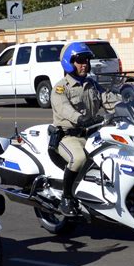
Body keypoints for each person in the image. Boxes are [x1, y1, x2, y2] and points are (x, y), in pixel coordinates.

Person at [50, 42, 120, 217]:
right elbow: (64, 108)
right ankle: (66, 198)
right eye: (80, 60)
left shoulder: (92, 84)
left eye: (87, 60)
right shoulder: (61, 88)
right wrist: (81, 118)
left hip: (92, 134)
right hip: (68, 137)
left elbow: (109, 99)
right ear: (69, 62)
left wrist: (129, 102)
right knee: (79, 158)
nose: (85, 64)